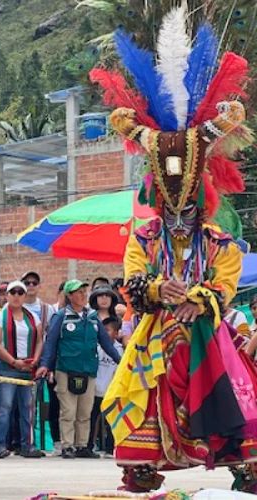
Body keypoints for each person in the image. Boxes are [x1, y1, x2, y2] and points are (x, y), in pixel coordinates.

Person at [95, 13, 257, 491]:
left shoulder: (219, 242)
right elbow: (132, 279)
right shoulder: (143, 239)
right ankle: (143, 464)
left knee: (231, 375)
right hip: (156, 332)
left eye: (187, 197)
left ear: (200, 192)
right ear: (155, 193)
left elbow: (225, 284)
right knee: (141, 383)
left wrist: (200, 298)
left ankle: (241, 460)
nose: (178, 206)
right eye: (170, 198)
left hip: (206, 330)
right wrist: (158, 288)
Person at [36, 279, 122, 459]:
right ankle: (67, 445)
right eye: (78, 292)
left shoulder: (92, 317)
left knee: (85, 410)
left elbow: (106, 343)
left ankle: (82, 445)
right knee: (68, 410)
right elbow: (50, 343)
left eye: (84, 291)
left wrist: (120, 361)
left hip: (88, 369)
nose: (83, 295)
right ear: (69, 295)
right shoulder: (61, 316)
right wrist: (45, 364)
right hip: (66, 369)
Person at [0, 280, 44, 459]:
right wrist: (13, 362)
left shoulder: (32, 317)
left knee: (28, 407)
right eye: (13, 292)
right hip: (7, 366)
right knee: (4, 407)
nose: (16, 296)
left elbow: (39, 340)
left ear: (25, 295)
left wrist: (35, 359)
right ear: (7, 295)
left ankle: (27, 445)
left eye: (21, 293)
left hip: (27, 366)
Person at [88, 316, 122, 457]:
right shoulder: (95, 346)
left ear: (116, 333)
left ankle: (110, 447)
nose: (105, 333)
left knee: (111, 420)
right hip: (95, 388)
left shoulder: (120, 350)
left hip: (110, 390)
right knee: (92, 418)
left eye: (108, 330)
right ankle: (89, 445)